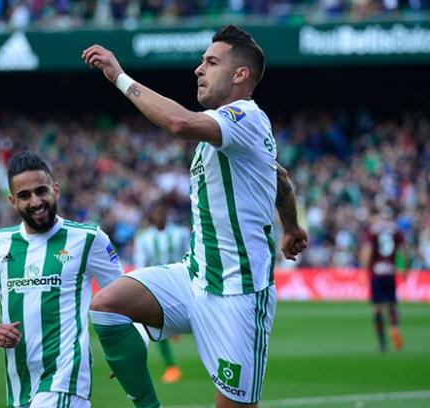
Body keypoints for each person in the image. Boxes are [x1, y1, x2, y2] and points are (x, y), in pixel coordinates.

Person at [81, 25, 308, 408]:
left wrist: (118, 77)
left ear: (241, 75)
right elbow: (280, 178)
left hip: (239, 294)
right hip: (194, 276)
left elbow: (179, 123)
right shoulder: (228, 131)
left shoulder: (246, 117)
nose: (198, 69)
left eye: (211, 61)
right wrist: (292, 227)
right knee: (107, 304)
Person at [0, 151, 129, 407]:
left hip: (66, 379)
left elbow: (127, 297)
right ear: (12, 201)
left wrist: (129, 349)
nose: (35, 201)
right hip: (20, 385)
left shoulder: (88, 239)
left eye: (41, 191)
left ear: (55, 190)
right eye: (24, 195)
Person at [133, 201, 190, 384]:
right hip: (158, 287)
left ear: (166, 214)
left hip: (181, 283)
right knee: (155, 325)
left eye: (161, 213)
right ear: (151, 217)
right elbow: (141, 263)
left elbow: (188, 254)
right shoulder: (144, 238)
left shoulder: (180, 234)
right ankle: (171, 367)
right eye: (155, 214)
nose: (159, 217)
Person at [359, 206, 407, 352]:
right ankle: (394, 326)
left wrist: (364, 270)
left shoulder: (372, 229)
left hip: (377, 272)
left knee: (377, 308)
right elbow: (403, 250)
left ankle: (382, 342)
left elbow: (368, 250)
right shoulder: (395, 229)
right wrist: (403, 268)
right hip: (390, 271)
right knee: (391, 304)